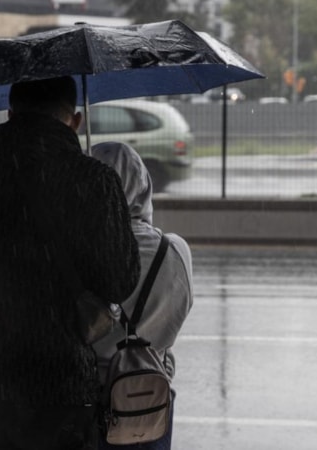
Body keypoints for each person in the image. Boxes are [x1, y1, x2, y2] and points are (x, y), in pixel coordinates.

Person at [0, 76, 140, 450]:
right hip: (65, 389)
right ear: (76, 121)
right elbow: (121, 279)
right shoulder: (95, 181)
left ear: (9, 114)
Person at [90, 141, 194, 450]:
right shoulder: (174, 250)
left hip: (92, 402)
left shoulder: (79, 252)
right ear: (144, 183)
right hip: (151, 398)